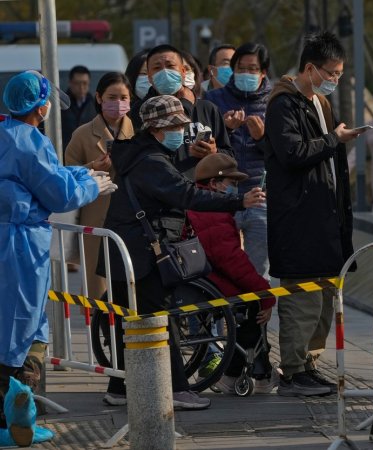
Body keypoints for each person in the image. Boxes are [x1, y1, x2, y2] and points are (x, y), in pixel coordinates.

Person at [97, 95, 265, 409]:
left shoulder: (138, 154)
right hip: (143, 254)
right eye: (173, 126)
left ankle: (119, 388)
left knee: (125, 320)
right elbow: (186, 194)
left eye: (180, 125)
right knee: (162, 319)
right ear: (155, 129)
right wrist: (238, 202)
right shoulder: (151, 161)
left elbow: (174, 181)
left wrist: (191, 159)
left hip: (122, 249)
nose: (179, 131)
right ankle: (175, 388)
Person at [0, 70, 114, 430]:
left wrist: (80, 173)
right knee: (26, 325)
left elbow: (42, 177)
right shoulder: (29, 141)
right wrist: (91, 186)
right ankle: (12, 410)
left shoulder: (4, 133)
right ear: (39, 106)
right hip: (20, 246)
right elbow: (58, 193)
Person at [263, 31, 364, 397]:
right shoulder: (283, 104)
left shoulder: (319, 103)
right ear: (310, 68)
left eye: (339, 73)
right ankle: (292, 370)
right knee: (301, 298)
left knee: (323, 299)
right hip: (298, 218)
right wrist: (334, 140)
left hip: (325, 216)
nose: (335, 80)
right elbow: (292, 153)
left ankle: (309, 363)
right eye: (332, 73)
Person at [187, 153, 277, 394]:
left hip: (202, 275)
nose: (234, 189)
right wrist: (266, 293)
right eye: (231, 183)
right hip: (207, 281)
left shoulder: (200, 203)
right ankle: (243, 374)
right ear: (215, 184)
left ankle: (259, 370)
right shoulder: (214, 213)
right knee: (253, 303)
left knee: (251, 295)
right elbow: (232, 262)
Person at [64, 72, 134, 299]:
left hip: (132, 216)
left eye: (123, 97)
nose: (118, 103)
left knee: (131, 280)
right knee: (97, 284)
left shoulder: (140, 132)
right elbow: (67, 176)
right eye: (112, 97)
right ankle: (98, 329)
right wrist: (92, 168)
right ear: (99, 97)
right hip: (95, 217)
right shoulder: (83, 134)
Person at [206, 42, 272, 279]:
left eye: (252, 69)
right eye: (240, 68)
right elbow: (206, 150)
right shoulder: (213, 99)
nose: (246, 73)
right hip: (224, 193)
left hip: (260, 196)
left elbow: (282, 154)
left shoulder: (275, 101)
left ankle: (256, 314)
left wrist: (262, 138)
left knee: (257, 270)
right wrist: (227, 130)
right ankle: (226, 314)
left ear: (263, 72)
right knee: (221, 264)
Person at [131, 44, 233, 179]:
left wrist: (213, 152)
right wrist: (186, 104)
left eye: (170, 66)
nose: (164, 72)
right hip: (161, 189)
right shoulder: (141, 111)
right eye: (157, 68)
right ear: (149, 77)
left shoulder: (207, 109)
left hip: (203, 193)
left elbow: (229, 156)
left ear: (183, 72)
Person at [61, 65, 97, 150]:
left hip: (88, 154)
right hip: (65, 154)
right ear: (70, 83)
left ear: (89, 83)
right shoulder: (60, 105)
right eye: (77, 83)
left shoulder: (95, 105)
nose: (81, 87)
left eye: (84, 83)